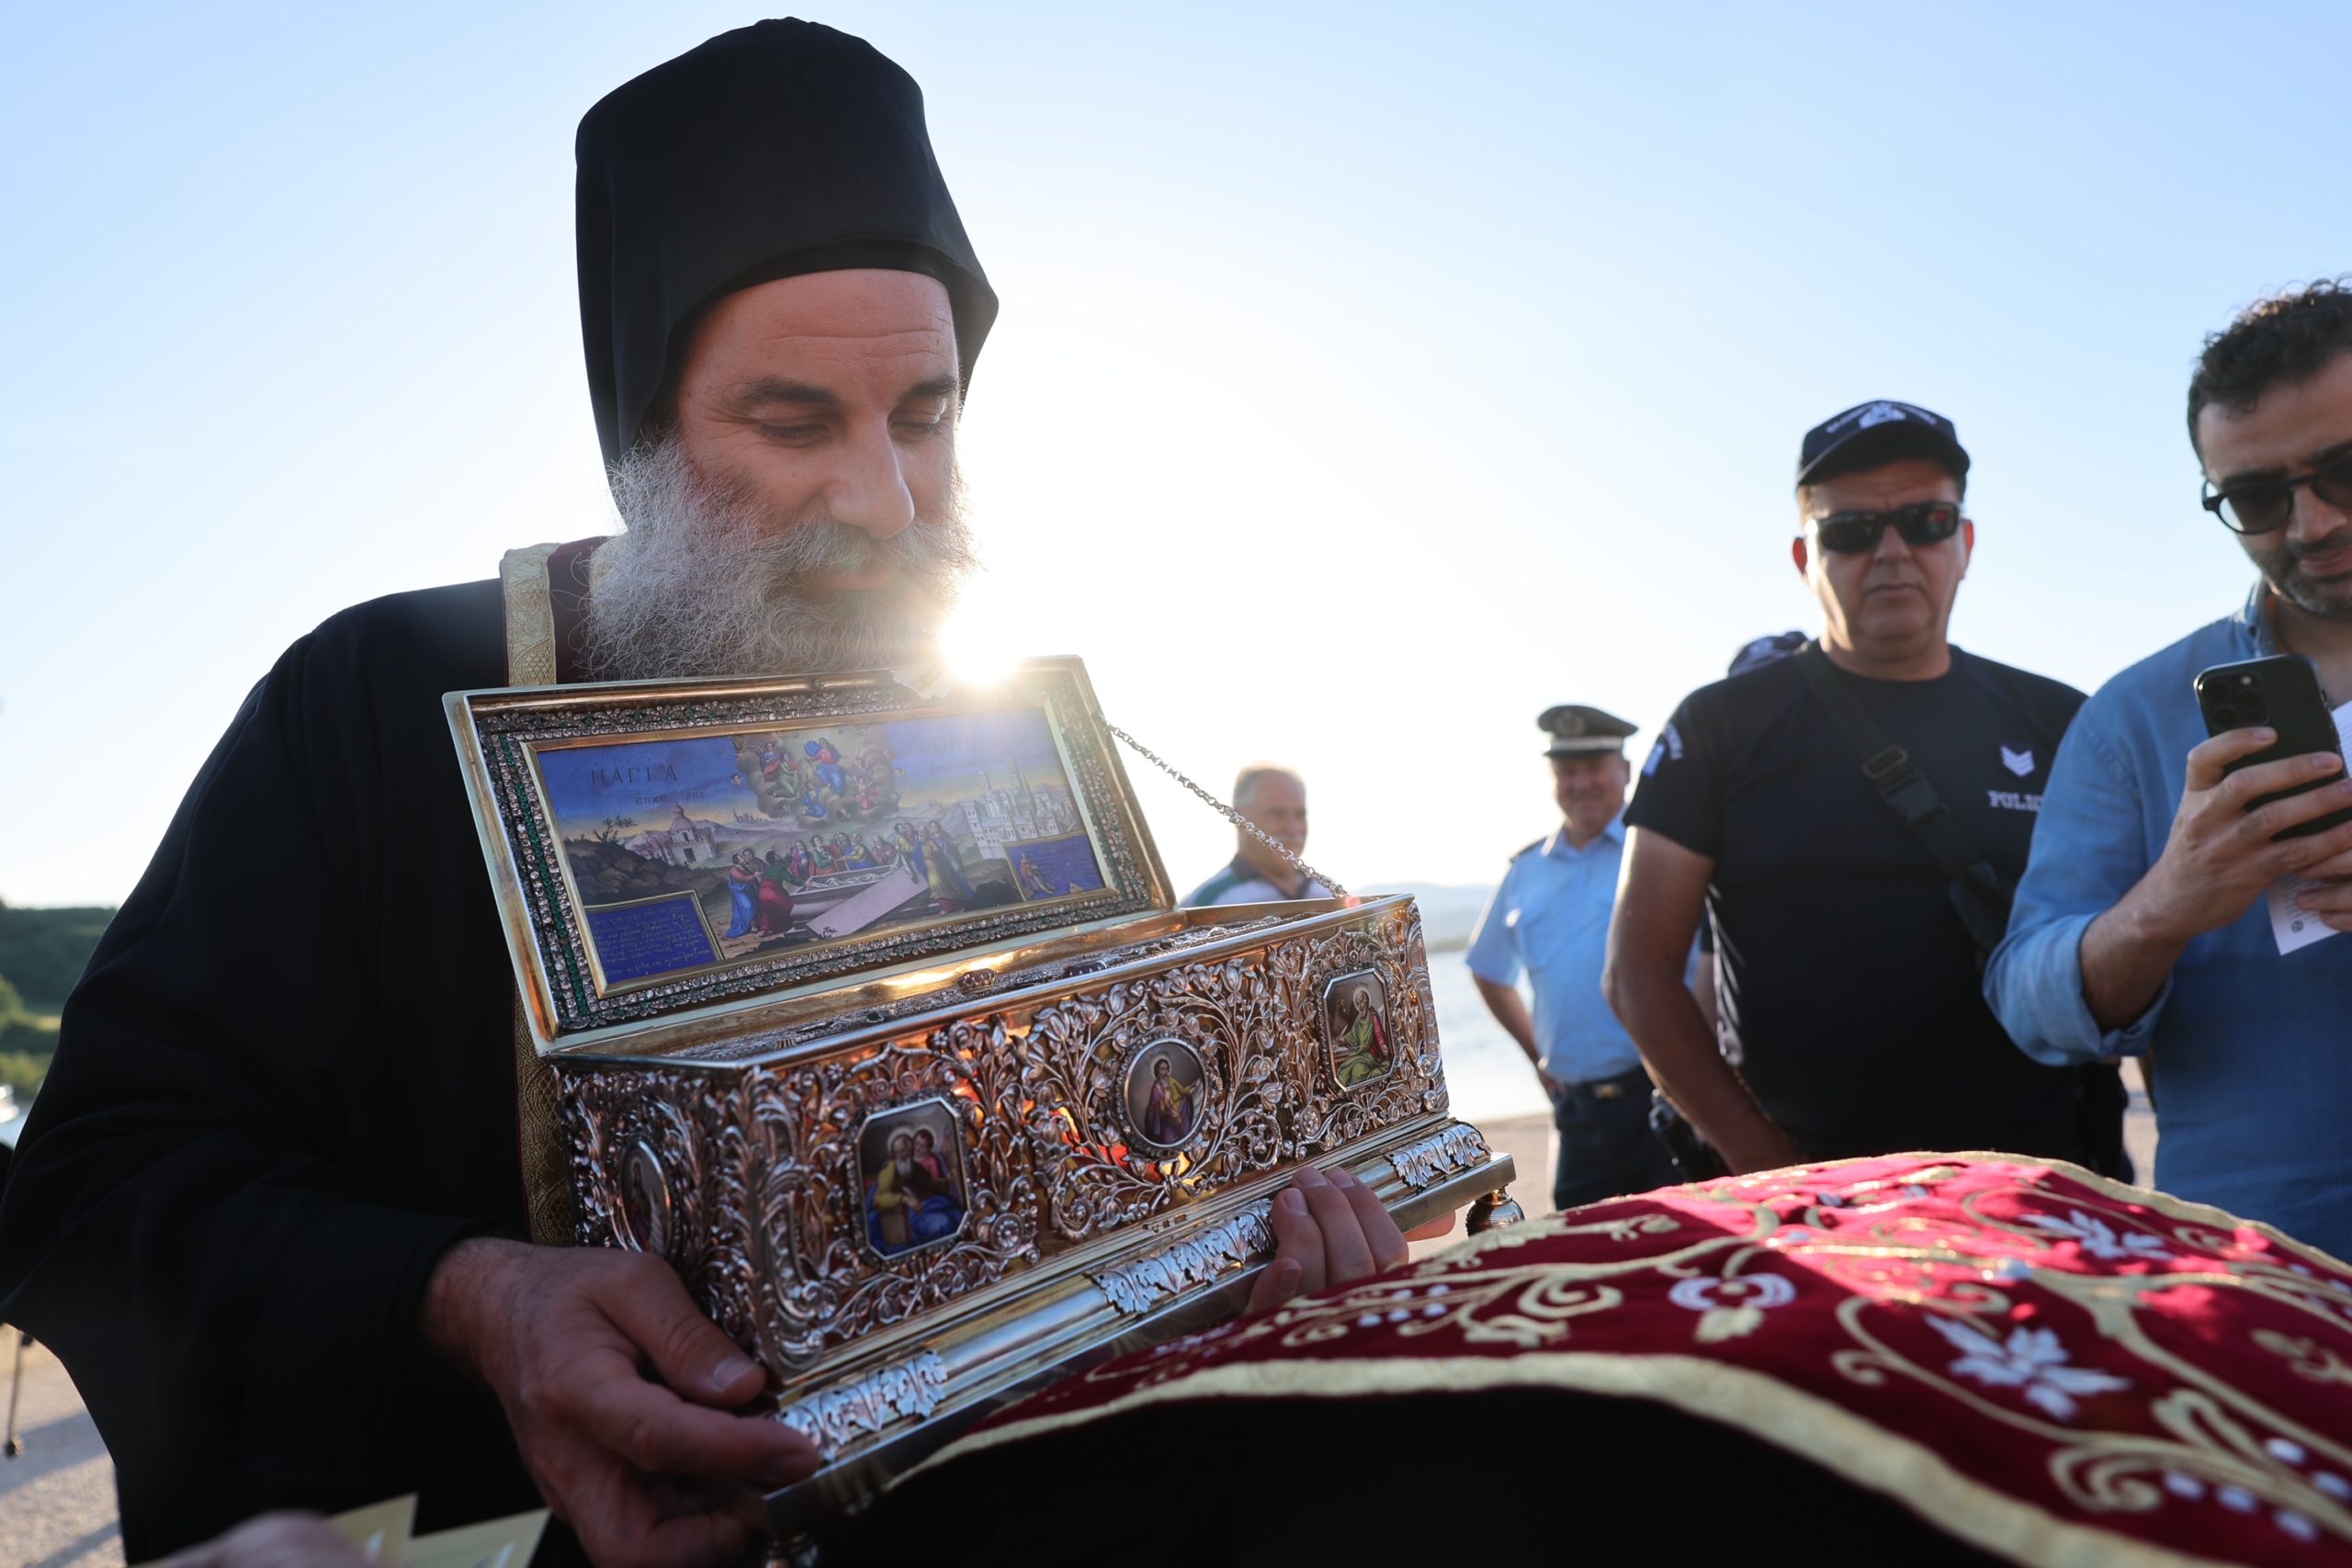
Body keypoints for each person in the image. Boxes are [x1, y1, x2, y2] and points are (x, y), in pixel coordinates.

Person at [0, 24, 1404, 1567]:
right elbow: (97, 1183)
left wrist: (1235, 1256)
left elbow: (1106, 1168)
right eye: (793, 424)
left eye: (925, 416)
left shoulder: (1005, 733)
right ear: (644, 441)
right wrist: (473, 1296)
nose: (884, 502)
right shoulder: (376, 703)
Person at [1605, 401, 2107, 1173]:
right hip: (1805, 1192)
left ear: (1965, 543)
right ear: (1805, 558)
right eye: (1851, 530)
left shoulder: (2061, 720)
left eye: (1927, 520)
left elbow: (2136, 944)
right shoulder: (1718, 728)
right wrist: (1769, 1165)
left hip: (2036, 1177)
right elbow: (1639, 973)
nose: (1893, 550)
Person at [1987, 281, 2352, 1256]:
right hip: (2270, 1266)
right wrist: (2167, 902)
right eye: (2257, 497)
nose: (2311, 523)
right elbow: (2027, 1000)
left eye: (2344, 471)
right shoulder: (2134, 718)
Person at [1468, 705, 1682, 1208]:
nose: (1581, 783)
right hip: (1576, 1118)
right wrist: (1537, 1058)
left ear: (1625, 770)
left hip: (1664, 1102)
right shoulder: (1526, 870)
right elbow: (1489, 970)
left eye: (1594, 767)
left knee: (1684, 1241)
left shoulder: (1663, 853)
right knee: (1579, 1248)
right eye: (1567, 770)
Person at [1183, 765, 1334, 905]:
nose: (1292, 828)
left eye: (1300, 815)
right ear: (1239, 818)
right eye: (1277, 814)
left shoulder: (1329, 894)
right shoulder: (1207, 903)